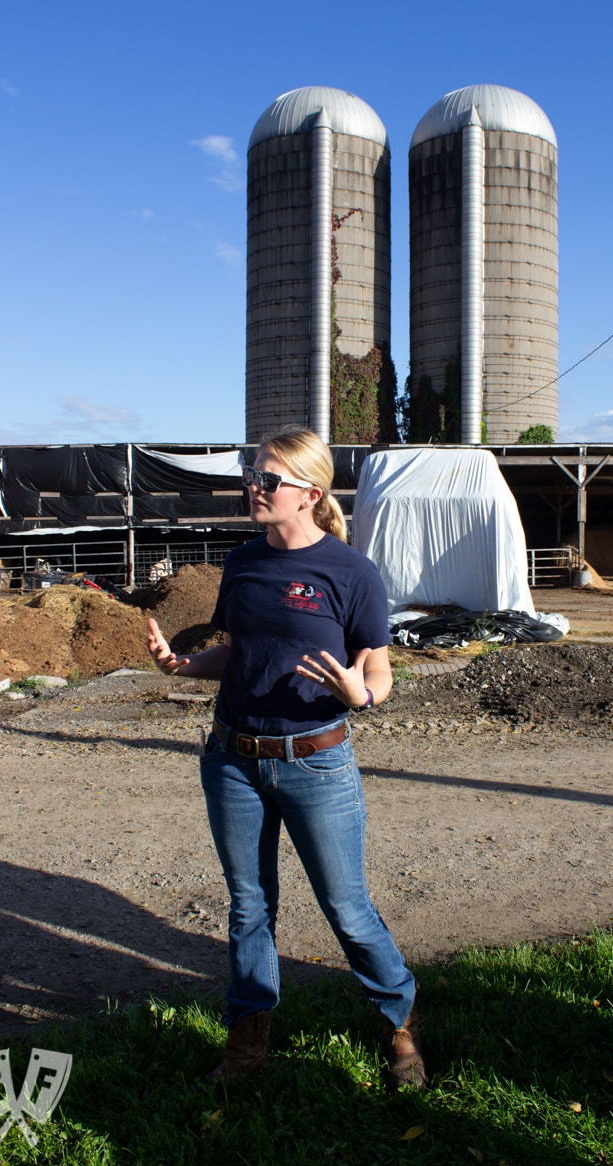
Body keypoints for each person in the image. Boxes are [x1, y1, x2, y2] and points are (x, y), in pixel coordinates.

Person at [147, 425, 426, 1090]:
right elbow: (238, 652)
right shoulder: (242, 563)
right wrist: (184, 665)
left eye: (269, 479)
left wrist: (359, 693)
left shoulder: (351, 573)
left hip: (316, 762)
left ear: (310, 493)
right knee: (248, 907)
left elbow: (378, 678)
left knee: (346, 907)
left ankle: (400, 1025)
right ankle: (246, 1048)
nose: (255, 487)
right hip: (233, 757)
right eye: (254, 475)